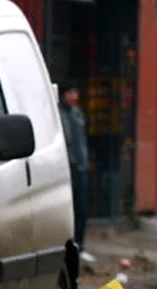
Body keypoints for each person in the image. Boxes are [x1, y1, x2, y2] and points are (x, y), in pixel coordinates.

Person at [58, 83, 95, 263]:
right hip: (67, 168)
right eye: (71, 93)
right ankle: (67, 247)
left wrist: (85, 161)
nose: (74, 97)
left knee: (81, 209)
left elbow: (82, 141)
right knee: (67, 209)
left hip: (80, 168)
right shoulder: (58, 114)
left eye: (76, 93)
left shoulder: (78, 114)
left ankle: (80, 246)